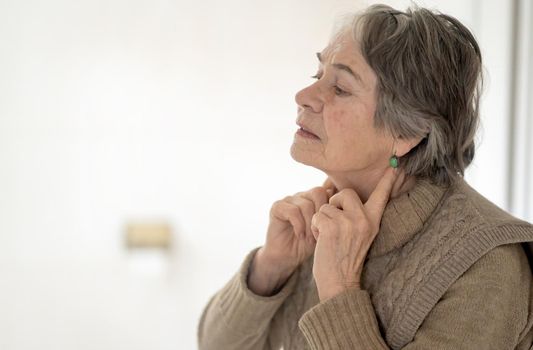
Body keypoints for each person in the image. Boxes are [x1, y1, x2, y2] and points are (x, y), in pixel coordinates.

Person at [198, 4, 533, 349]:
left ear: (407, 132)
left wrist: (339, 291)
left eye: (340, 88)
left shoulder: (487, 266)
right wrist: (269, 268)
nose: (303, 97)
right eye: (318, 76)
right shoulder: (323, 224)